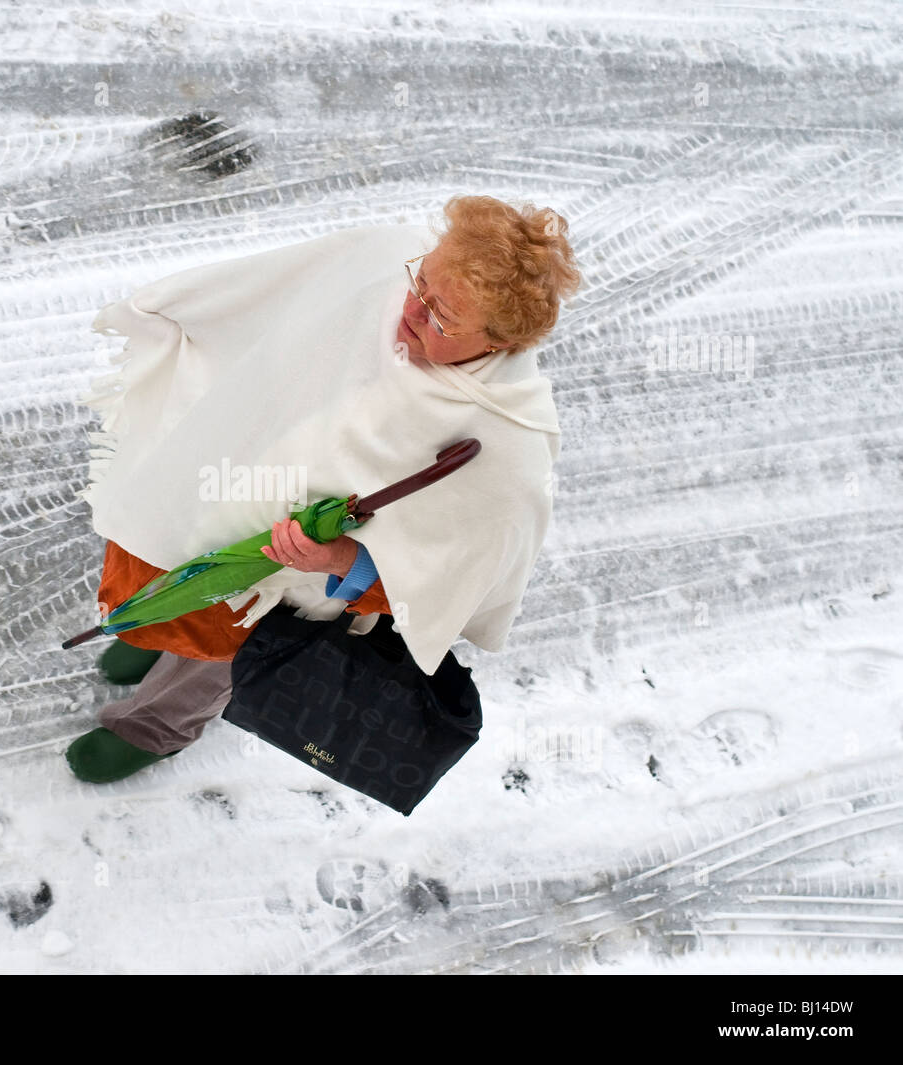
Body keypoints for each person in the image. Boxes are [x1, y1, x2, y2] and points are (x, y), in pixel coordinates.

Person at [65, 195, 581, 783]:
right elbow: (272, 297)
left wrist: (342, 559)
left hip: (285, 581)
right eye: (423, 284)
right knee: (160, 558)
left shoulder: (505, 445)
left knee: (215, 659)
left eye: (443, 320)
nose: (414, 309)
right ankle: (151, 628)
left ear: (499, 343)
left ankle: (152, 729)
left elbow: (455, 570)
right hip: (226, 485)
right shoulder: (389, 263)